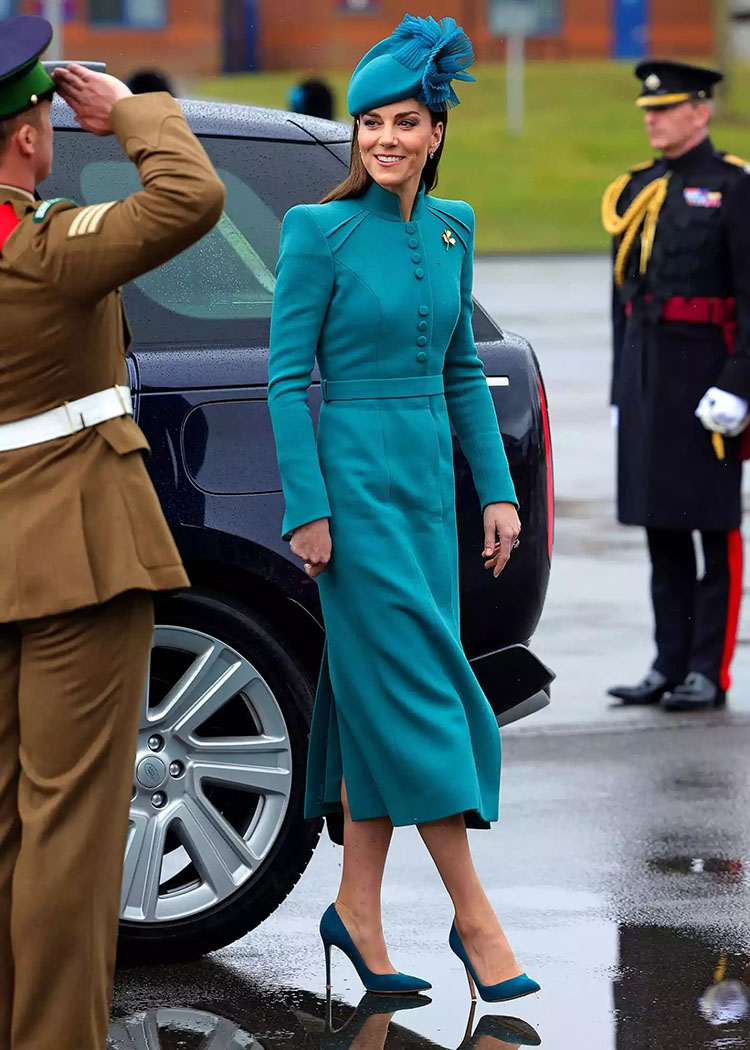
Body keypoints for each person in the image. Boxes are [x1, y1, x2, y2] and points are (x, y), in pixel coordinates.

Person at [268, 14, 539, 1003]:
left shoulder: (454, 224)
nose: (386, 136)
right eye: (371, 120)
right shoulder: (317, 230)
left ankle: (359, 912)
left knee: (378, 698)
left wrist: (497, 493)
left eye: (407, 121)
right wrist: (308, 507)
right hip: (353, 491)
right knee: (425, 696)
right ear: (356, 133)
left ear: (435, 134)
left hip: (428, 489)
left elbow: (464, 367)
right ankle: (478, 921)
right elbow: (285, 377)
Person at [0, 16, 224, 1050]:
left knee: (11, 831)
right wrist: (134, 111)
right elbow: (190, 196)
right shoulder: (43, 251)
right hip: (75, 562)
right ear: (29, 132)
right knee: (70, 838)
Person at [602, 60, 750, 712]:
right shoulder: (637, 190)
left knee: (711, 528)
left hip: (707, 384)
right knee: (661, 526)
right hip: (648, 378)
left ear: (701, 111)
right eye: (647, 111)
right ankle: (667, 662)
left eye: (666, 109)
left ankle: (707, 670)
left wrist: (739, 385)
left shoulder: (734, 188)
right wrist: (618, 392)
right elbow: (622, 302)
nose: (652, 118)